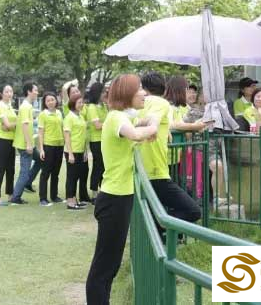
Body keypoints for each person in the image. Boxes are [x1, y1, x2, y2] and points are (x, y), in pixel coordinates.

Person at [85, 74, 159, 304]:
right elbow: (136, 133)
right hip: (114, 199)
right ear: (127, 93)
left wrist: (148, 123)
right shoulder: (115, 117)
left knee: (110, 265)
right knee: (104, 266)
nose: (144, 93)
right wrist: (154, 125)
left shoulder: (121, 117)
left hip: (119, 198)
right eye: (139, 89)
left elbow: (138, 127)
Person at [139, 72, 201, 234]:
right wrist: (154, 127)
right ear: (164, 87)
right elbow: (154, 118)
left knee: (152, 207)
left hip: (144, 168)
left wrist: (164, 129)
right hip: (156, 169)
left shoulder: (138, 105)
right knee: (193, 211)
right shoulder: (161, 103)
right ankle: (157, 226)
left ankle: (156, 229)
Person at [11, 82, 39, 205]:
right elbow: (25, 125)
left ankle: (27, 183)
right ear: (29, 91)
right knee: (24, 172)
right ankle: (16, 197)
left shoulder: (27, 106)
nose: (37, 93)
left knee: (41, 160)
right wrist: (28, 144)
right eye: (35, 90)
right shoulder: (25, 107)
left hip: (28, 143)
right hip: (24, 144)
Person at [37, 91, 64, 206]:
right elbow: (40, 133)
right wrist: (41, 149)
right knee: (45, 173)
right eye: (48, 100)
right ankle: (43, 198)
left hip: (59, 145)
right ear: (45, 102)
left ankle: (54, 196)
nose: (50, 102)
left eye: (52, 99)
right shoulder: (43, 114)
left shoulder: (59, 113)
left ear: (56, 100)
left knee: (55, 173)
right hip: (48, 146)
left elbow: (62, 129)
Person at [63, 93, 89, 210]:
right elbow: (67, 136)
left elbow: (83, 135)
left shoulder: (81, 116)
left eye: (82, 102)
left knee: (77, 176)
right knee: (72, 177)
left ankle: (75, 200)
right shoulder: (69, 117)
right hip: (72, 151)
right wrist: (70, 154)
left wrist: (85, 151)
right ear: (73, 103)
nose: (82, 104)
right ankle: (70, 202)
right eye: (79, 102)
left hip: (80, 151)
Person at [0, 85, 17, 206]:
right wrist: (18, 122)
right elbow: (6, 125)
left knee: (10, 169)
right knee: (0, 169)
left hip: (11, 141)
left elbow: (9, 126)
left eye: (11, 91)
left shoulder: (10, 107)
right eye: (6, 91)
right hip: (1, 141)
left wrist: (11, 126)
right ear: (2, 93)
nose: (9, 93)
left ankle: (10, 195)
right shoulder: (0, 107)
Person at [85, 82, 107, 202]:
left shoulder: (104, 106)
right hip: (96, 141)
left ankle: (102, 191)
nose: (105, 94)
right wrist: (110, 124)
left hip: (105, 140)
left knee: (104, 166)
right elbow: (97, 125)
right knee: (98, 166)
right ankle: (94, 193)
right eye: (103, 92)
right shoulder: (92, 108)